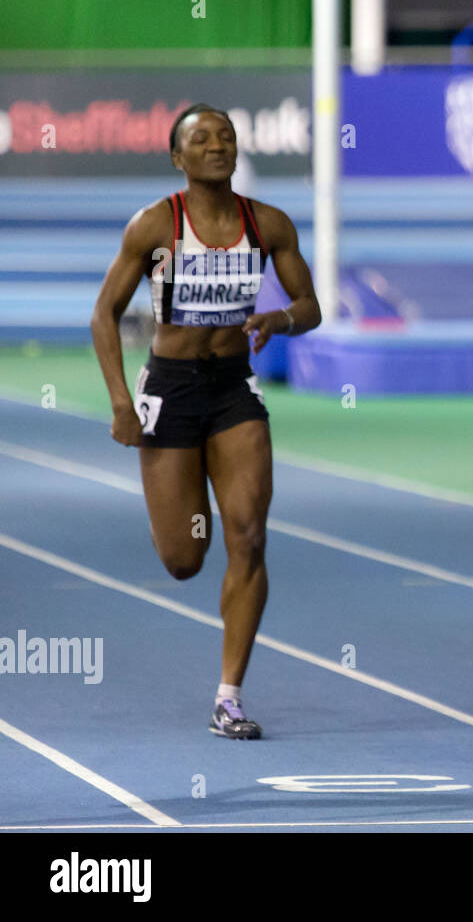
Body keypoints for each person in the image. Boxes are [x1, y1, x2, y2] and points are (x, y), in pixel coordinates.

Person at [90, 103, 321, 739]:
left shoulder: (267, 224)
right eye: (201, 138)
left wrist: (278, 319)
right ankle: (188, 524)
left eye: (225, 136)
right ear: (177, 157)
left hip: (232, 391)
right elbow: (103, 314)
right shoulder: (156, 225)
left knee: (247, 535)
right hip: (169, 390)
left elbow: (312, 306)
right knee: (185, 557)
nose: (217, 145)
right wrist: (119, 402)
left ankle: (229, 697)